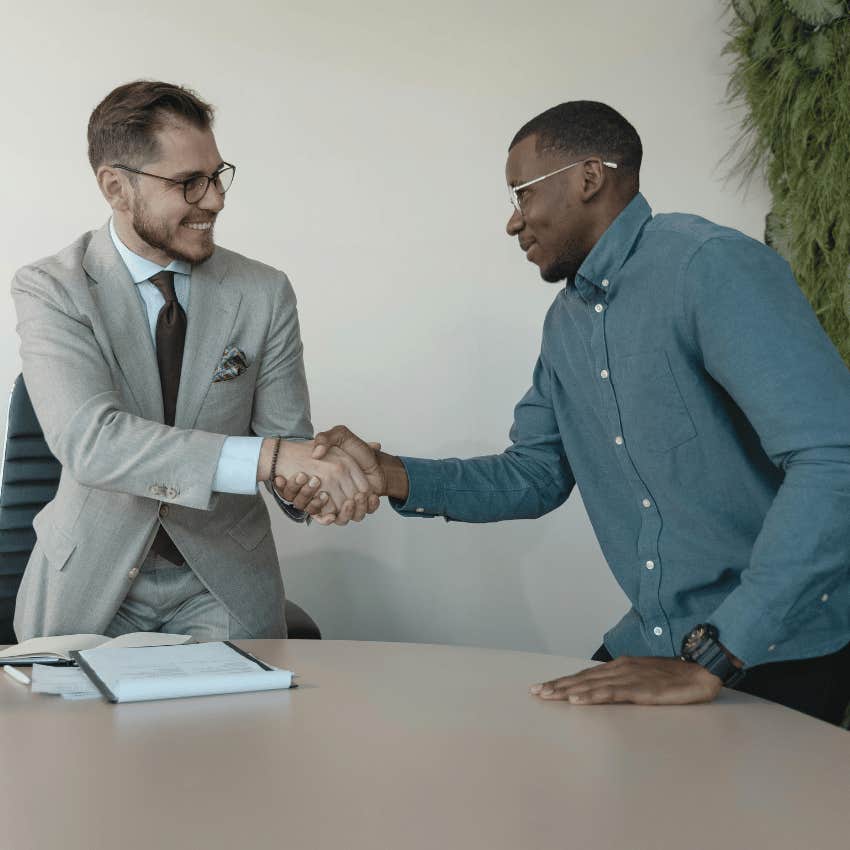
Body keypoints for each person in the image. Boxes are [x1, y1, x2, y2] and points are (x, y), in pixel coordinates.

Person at [286, 101, 850, 724]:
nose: (512, 222)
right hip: (659, 641)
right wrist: (387, 471)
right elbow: (535, 474)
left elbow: (834, 456)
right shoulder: (567, 322)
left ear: (589, 177)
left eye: (522, 194)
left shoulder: (708, 266)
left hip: (774, 648)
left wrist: (717, 656)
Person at [11, 80, 378, 642]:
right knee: (77, 730)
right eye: (189, 183)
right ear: (116, 187)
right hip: (89, 583)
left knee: (234, 731)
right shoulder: (52, 288)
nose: (215, 199)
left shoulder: (264, 291)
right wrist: (276, 459)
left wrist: (311, 485)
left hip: (222, 581)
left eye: (217, 175)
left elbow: (286, 440)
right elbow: (91, 441)